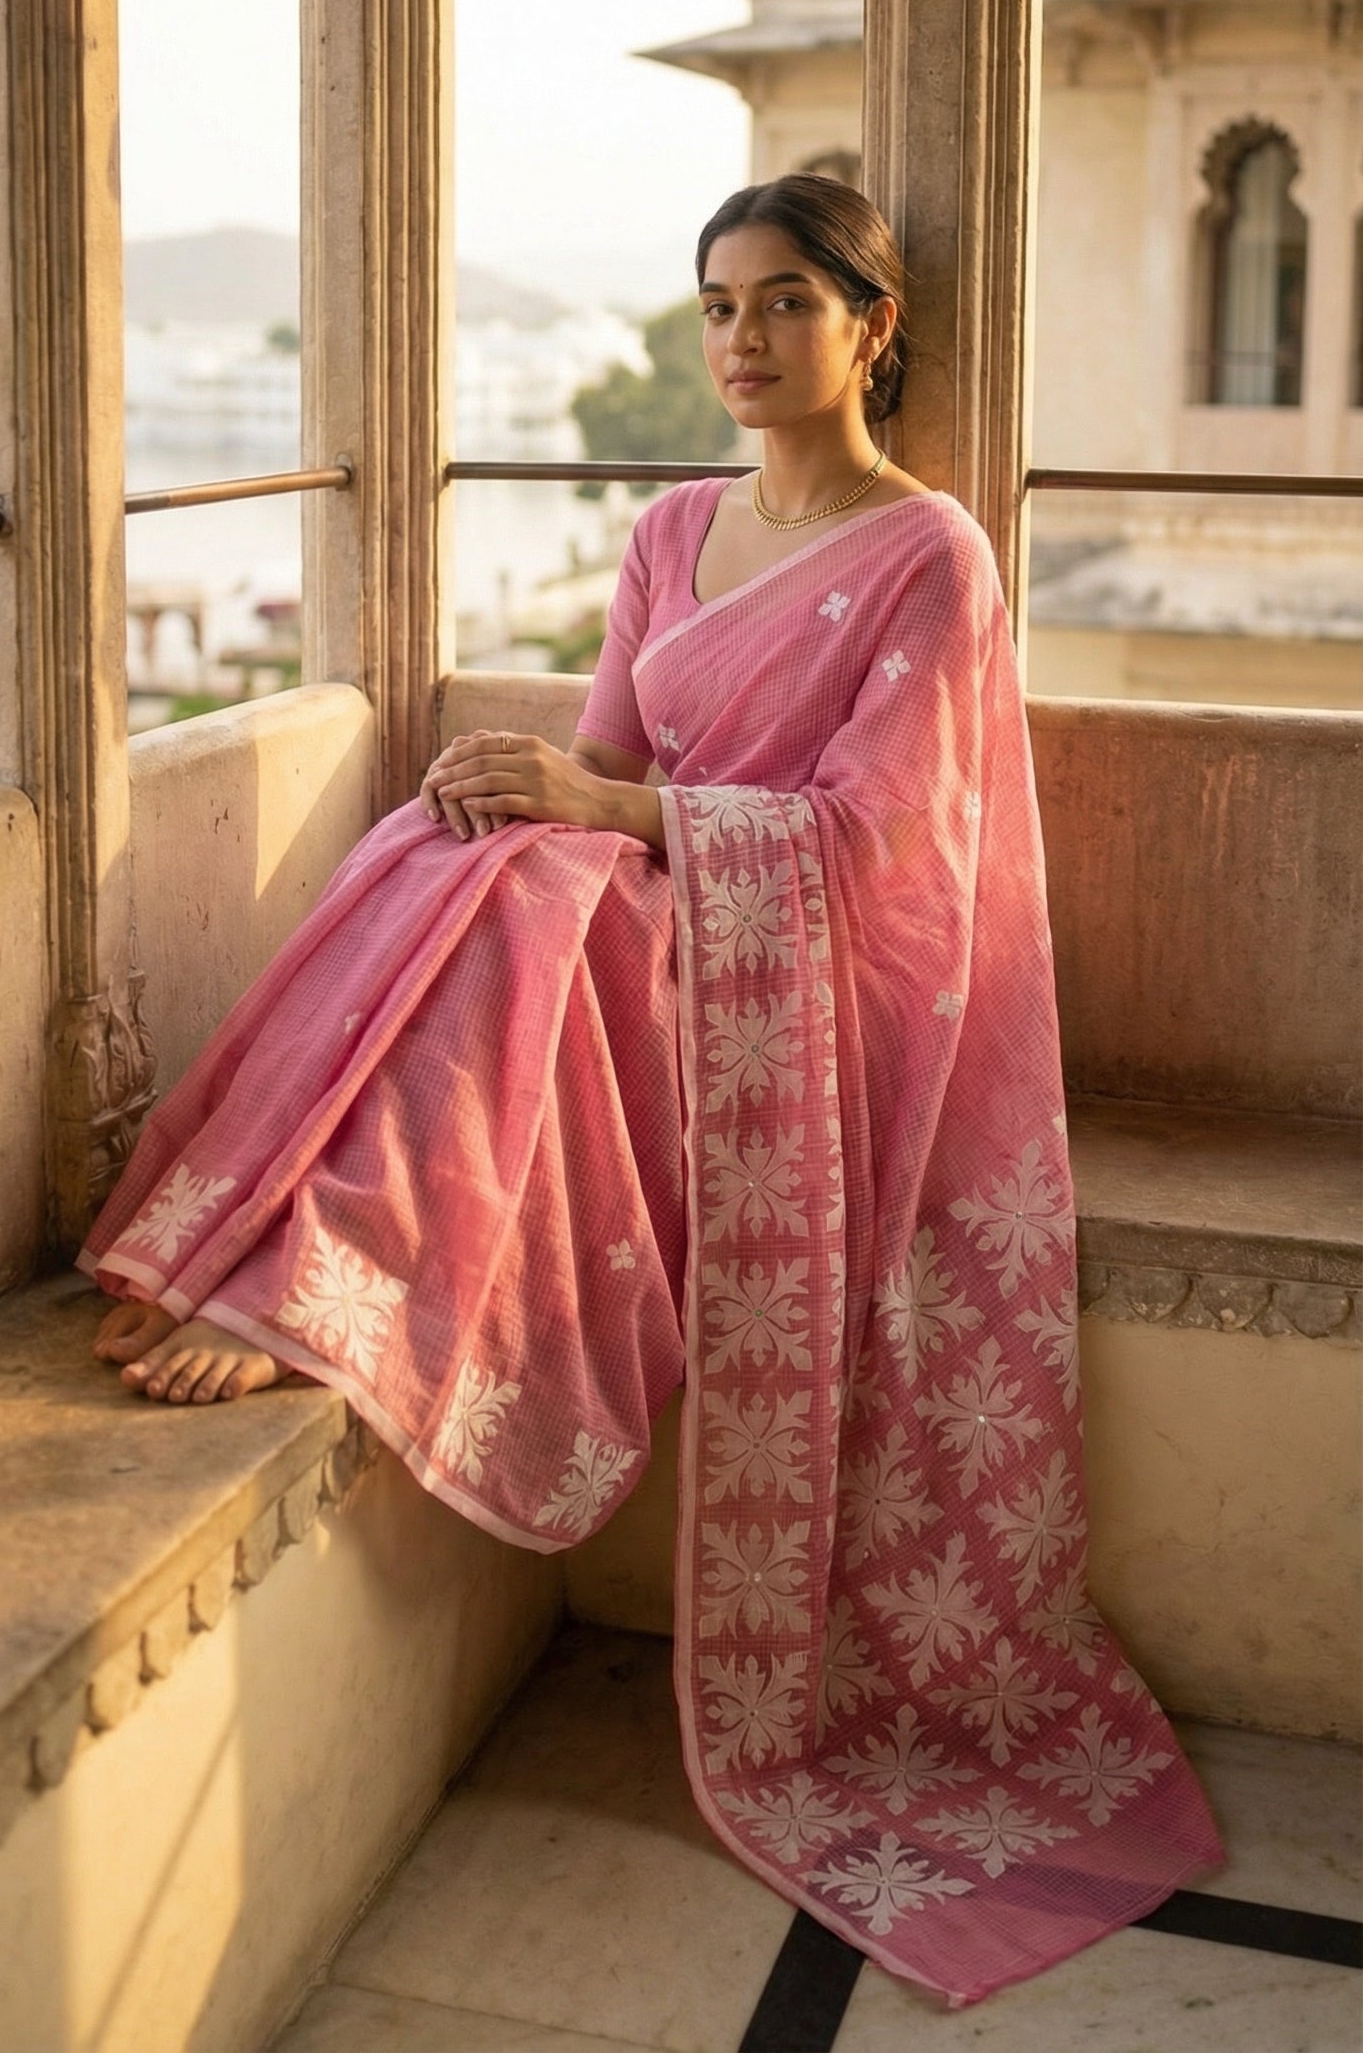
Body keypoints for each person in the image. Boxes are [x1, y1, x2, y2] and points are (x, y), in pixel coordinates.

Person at [82, 171, 1221, 2003]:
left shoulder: (931, 555)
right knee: (454, 855)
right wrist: (521, 786)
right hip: (660, 916)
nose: (741, 345)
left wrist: (599, 816)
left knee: (538, 884)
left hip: (804, 985)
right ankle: (298, 1243)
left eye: (783, 305)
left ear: (873, 325)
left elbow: (884, 845)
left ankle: (320, 1281)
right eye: (715, 308)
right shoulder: (671, 530)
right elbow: (608, 756)